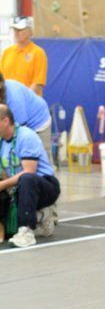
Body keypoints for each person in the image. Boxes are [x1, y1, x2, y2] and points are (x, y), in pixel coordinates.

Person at [0, 104, 59, 248]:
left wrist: (2, 185)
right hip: (17, 188)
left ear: (6, 121)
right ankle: (38, 219)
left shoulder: (26, 136)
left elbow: (29, 171)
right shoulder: (1, 142)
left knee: (26, 178)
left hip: (45, 185)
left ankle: (26, 231)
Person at [0, 73, 52, 162]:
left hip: (38, 121)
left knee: (39, 160)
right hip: (18, 121)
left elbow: (19, 129)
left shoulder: (14, 97)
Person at [0, 16, 47, 97]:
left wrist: (23, 99)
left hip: (29, 103)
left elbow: (38, 83)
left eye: (20, 30)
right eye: (15, 29)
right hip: (8, 101)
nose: (16, 32)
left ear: (30, 32)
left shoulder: (38, 53)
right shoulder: (7, 52)